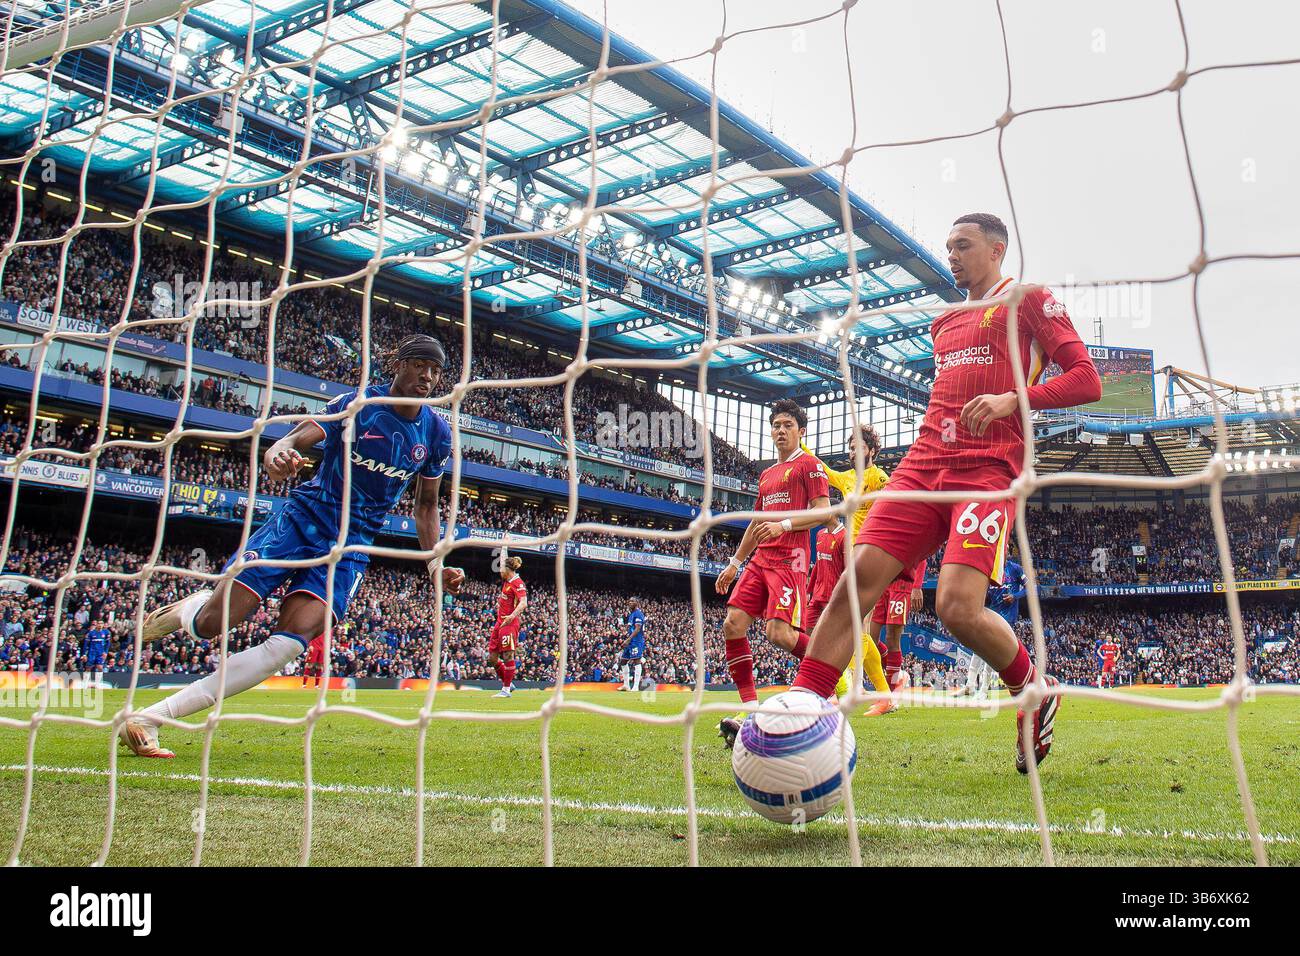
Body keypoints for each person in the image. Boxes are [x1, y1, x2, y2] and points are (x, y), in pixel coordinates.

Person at [787, 213, 1102, 773]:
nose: (952, 256)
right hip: (922, 467)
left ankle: (1033, 689)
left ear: (998, 250)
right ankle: (801, 709)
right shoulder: (944, 322)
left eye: (963, 246)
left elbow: (1086, 378)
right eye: (948, 247)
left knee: (956, 607)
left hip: (987, 473)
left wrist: (1014, 399)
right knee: (855, 579)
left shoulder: (1027, 300)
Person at [119, 334, 465, 757]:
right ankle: (190, 608)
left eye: (435, 370)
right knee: (214, 624)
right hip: (299, 524)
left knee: (287, 645)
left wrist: (435, 566)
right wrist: (279, 452)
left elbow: (426, 507)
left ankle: (150, 718)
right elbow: (300, 436)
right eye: (419, 365)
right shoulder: (357, 406)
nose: (427, 376)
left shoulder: (436, 434)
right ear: (399, 363)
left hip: (350, 547)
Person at [715, 399, 830, 747]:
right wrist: (735, 563)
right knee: (732, 624)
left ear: (801, 431)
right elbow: (756, 523)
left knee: (778, 633)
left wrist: (784, 525)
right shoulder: (766, 475)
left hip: (790, 559)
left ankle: (831, 679)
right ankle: (750, 709)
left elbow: (824, 513)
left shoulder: (811, 466)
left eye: (788, 425)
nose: (781, 430)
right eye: (776, 425)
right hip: (760, 560)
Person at [963, 558, 1026, 700]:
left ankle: (984, 690)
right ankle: (970, 685)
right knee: (978, 647)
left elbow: (1030, 587)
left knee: (990, 651)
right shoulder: (990, 567)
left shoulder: (1015, 568)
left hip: (1007, 617)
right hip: (989, 612)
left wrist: (1014, 596)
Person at [488, 555, 527, 698]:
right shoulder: (507, 579)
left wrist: (512, 615)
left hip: (510, 623)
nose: (500, 571)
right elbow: (504, 558)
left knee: (508, 655)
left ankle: (505, 690)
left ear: (508, 570)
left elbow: (523, 602)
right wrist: (504, 545)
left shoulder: (518, 583)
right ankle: (508, 683)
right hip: (500, 622)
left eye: (502, 568)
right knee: (492, 658)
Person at [619, 597, 646, 692]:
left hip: (636, 641)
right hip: (630, 641)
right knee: (623, 661)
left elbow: (638, 628)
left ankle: (635, 686)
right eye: (629, 601)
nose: (630, 602)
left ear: (637, 603)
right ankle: (626, 685)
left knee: (636, 661)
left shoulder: (638, 613)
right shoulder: (631, 614)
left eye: (632, 601)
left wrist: (628, 640)